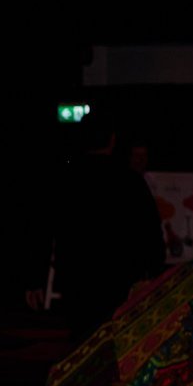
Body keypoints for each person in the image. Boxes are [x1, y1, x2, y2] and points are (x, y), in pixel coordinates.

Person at [41, 122, 164, 337]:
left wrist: (37, 276)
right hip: (118, 275)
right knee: (114, 336)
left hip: (76, 273)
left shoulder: (66, 178)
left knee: (82, 338)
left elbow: (47, 226)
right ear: (112, 141)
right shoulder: (129, 179)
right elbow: (150, 229)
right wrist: (153, 269)